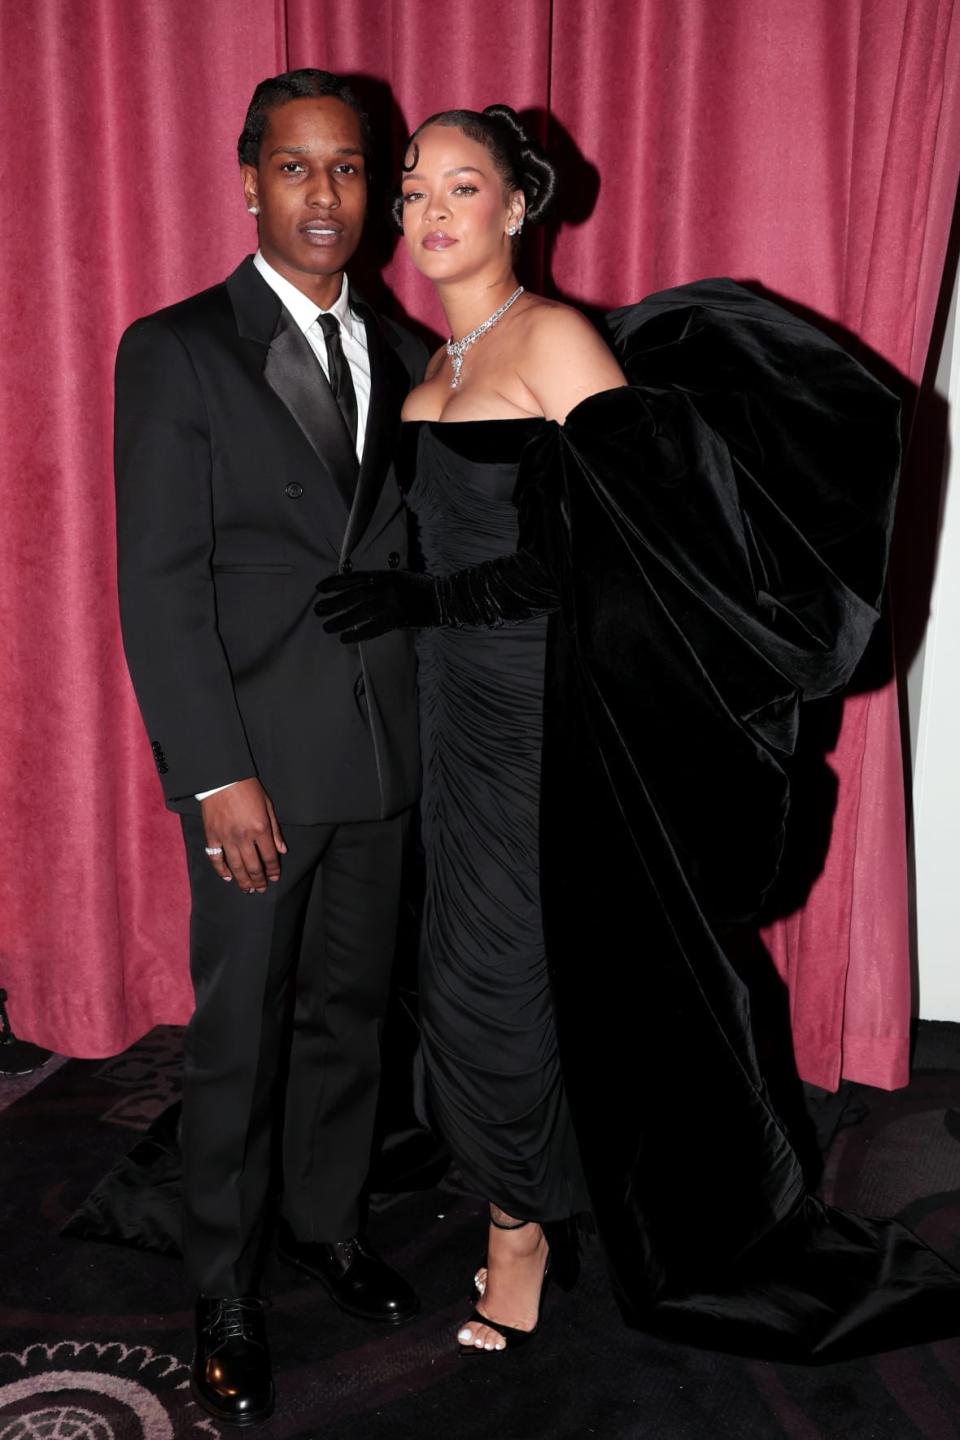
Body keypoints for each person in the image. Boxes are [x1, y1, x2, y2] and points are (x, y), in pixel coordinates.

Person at [317, 104, 960, 1363]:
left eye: (462, 187)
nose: (430, 212)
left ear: (518, 208)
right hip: (447, 715)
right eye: (413, 189)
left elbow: (624, 550)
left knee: (506, 978)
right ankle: (536, 1188)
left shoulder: (555, 343)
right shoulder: (428, 370)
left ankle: (521, 1232)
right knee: (455, 970)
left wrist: (429, 600)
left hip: (553, 719)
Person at [115, 69, 427, 1426]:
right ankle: (224, 1285)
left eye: (349, 170)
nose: (323, 195)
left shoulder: (410, 352)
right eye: (295, 168)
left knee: (351, 1017)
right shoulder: (177, 347)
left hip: (382, 758)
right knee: (240, 1033)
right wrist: (212, 773)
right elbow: (161, 584)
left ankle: (324, 1224)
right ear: (248, 180)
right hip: (253, 763)